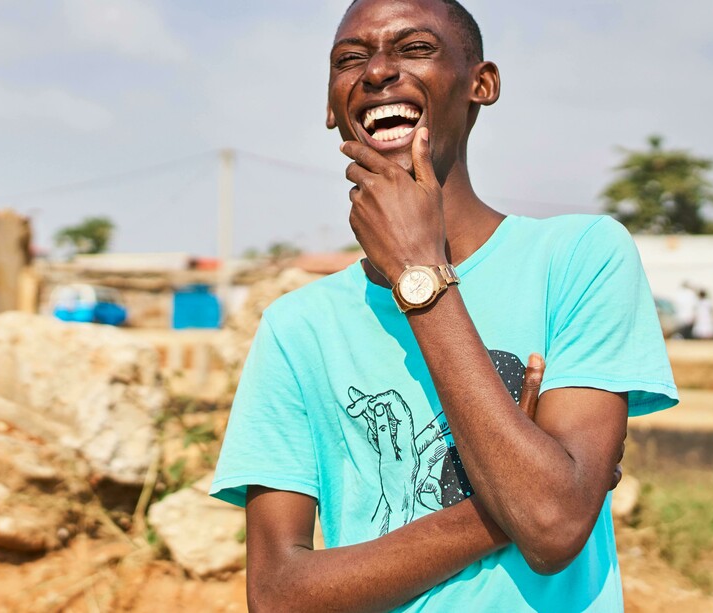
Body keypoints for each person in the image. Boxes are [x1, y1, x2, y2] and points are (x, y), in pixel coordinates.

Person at [209, 0, 678, 611]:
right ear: (332, 107)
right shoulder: (297, 329)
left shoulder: (579, 258)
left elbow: (555, 535)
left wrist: (418, 275)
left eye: (415, 48)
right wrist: (521, 492)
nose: (377, 71)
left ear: (481, 84)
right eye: (351, 59)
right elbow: (277, 595)